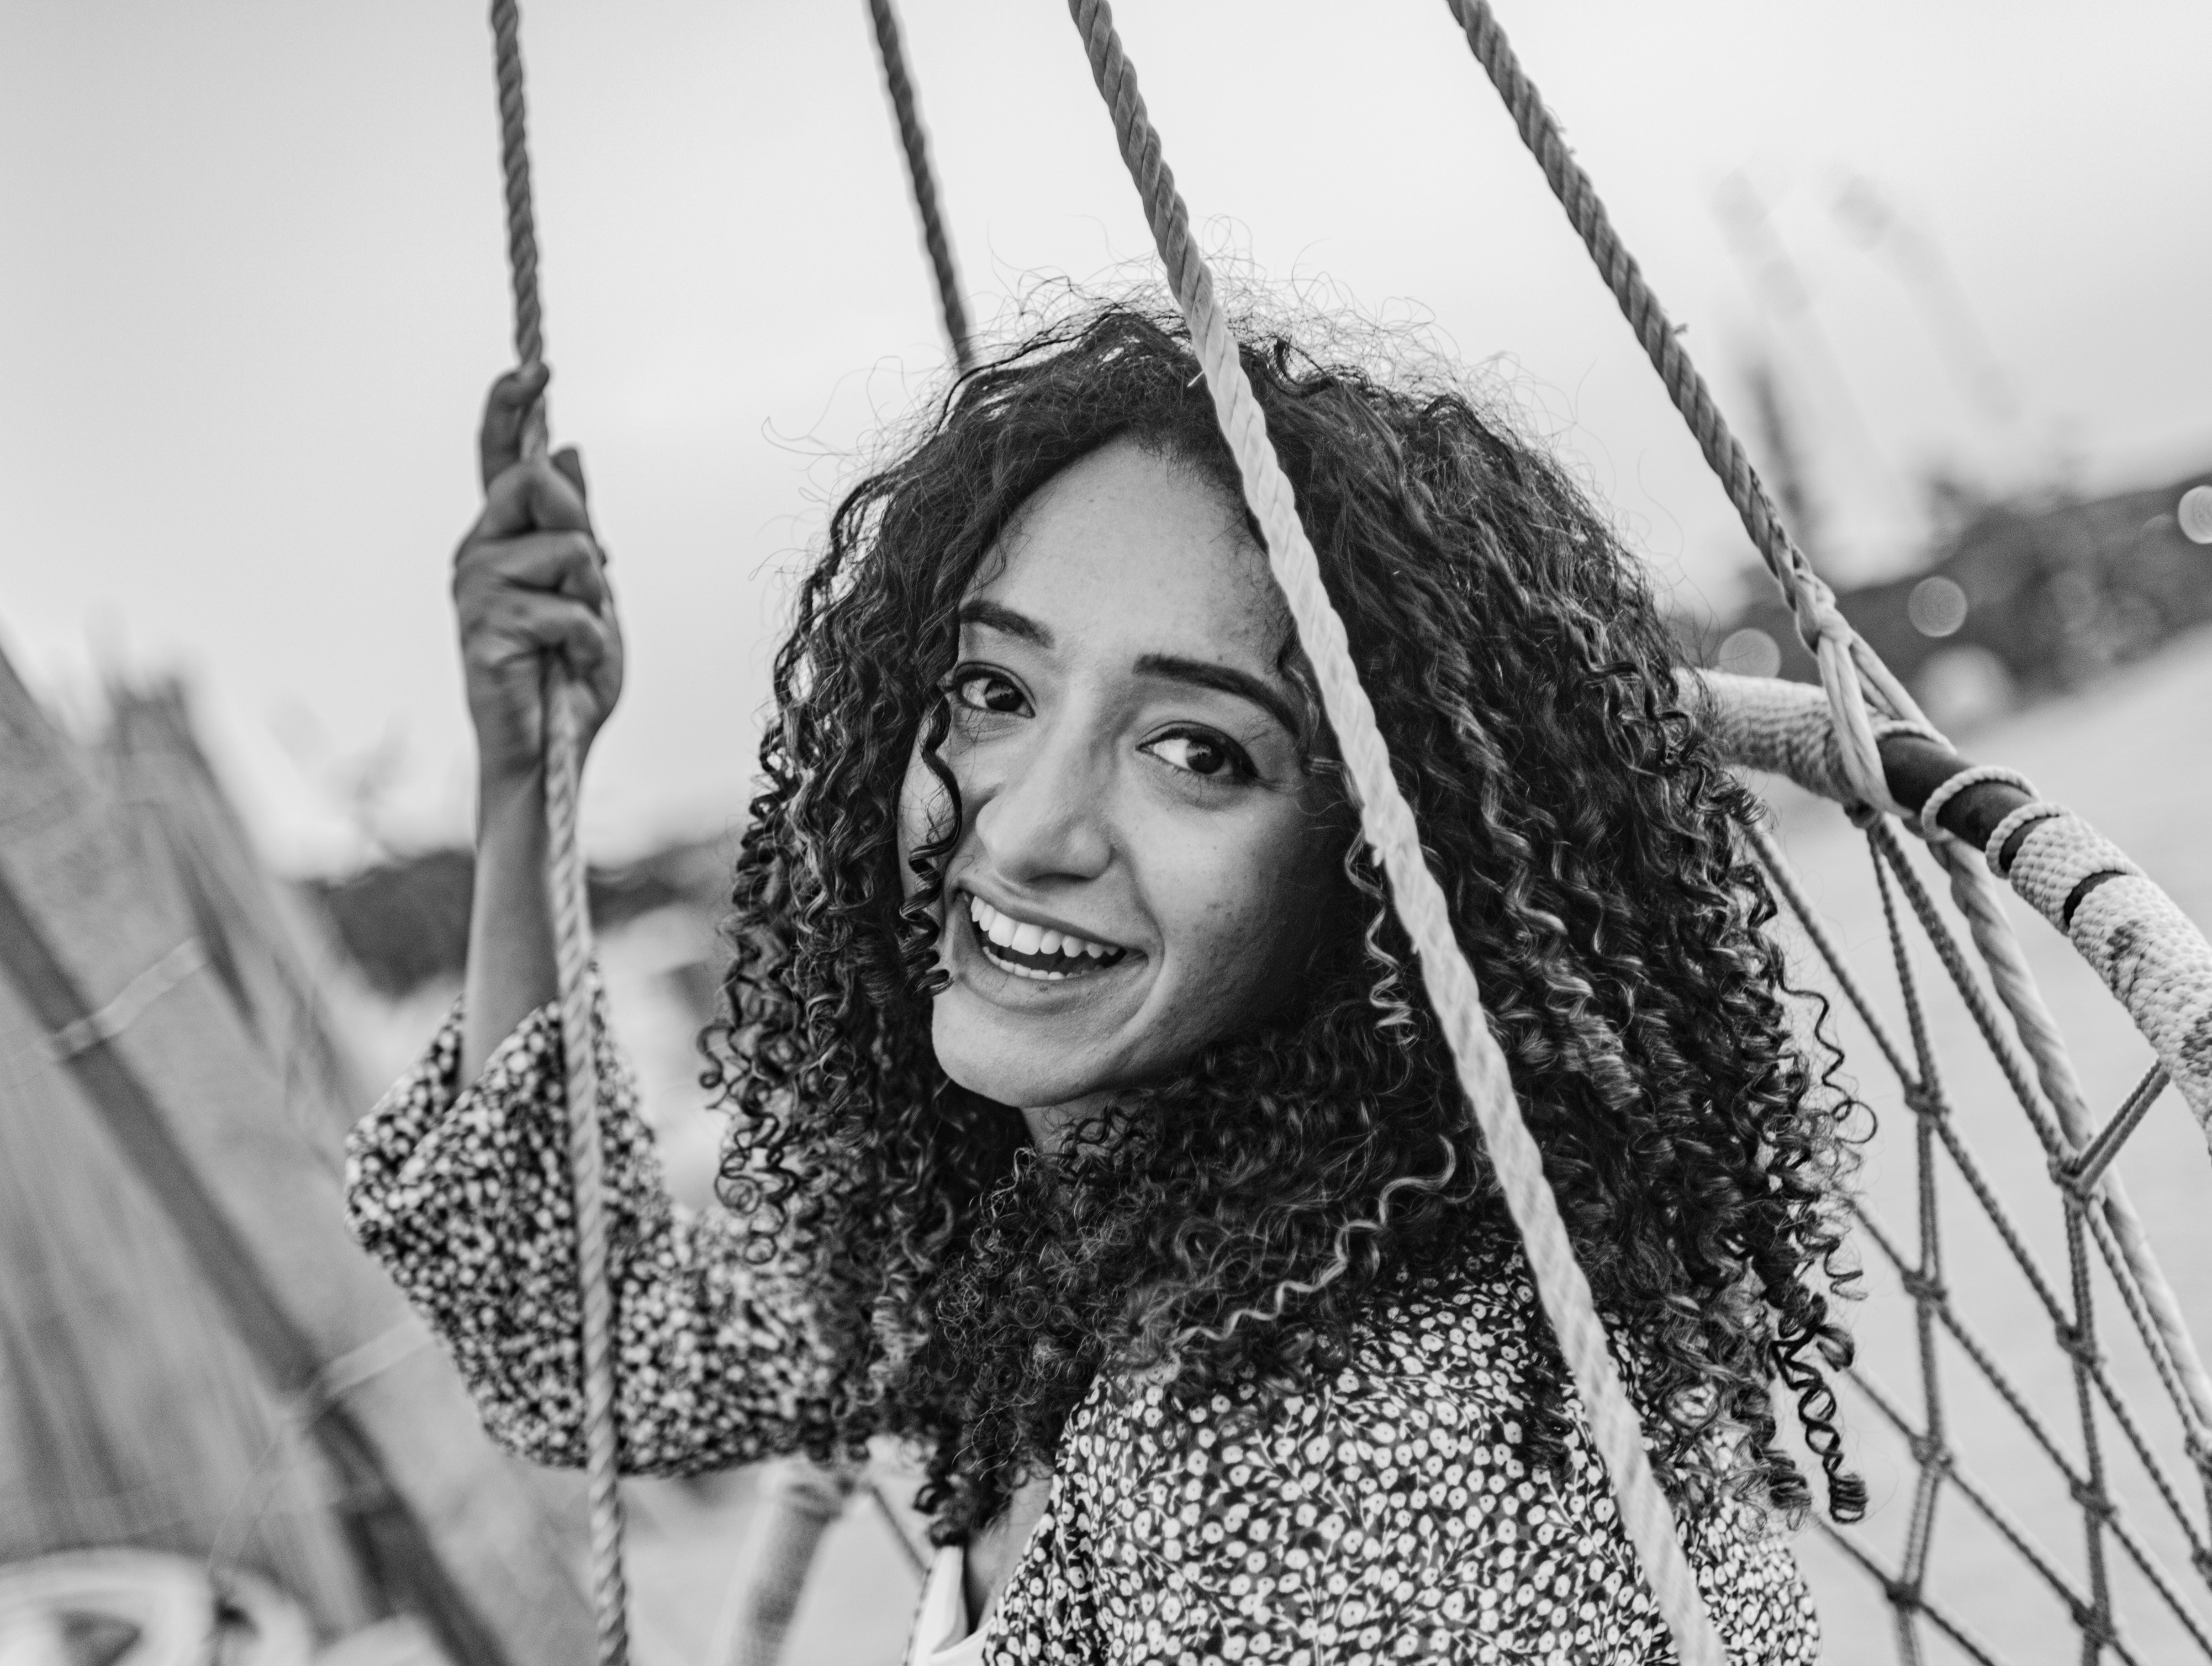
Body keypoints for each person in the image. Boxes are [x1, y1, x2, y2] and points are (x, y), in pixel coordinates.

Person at [347, 301, 1860, 1663]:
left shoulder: (1329, 1459)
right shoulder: (1068, 1242)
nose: (1025, 825)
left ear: (1387, 876)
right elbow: (598, 1355)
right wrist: (524, 787)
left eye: (1197, 751)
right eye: (995, 692)